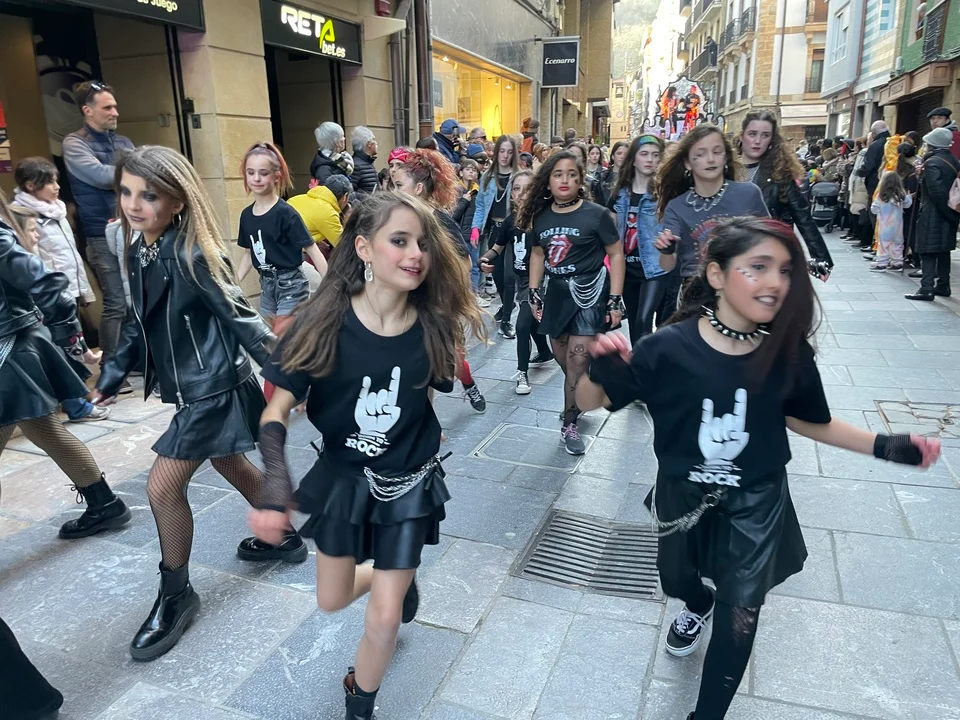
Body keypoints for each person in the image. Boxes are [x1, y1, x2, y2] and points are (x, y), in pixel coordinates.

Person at [576, 215, 942, 720]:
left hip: (757, 502)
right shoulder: (667, 346)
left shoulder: (787, 354)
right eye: (758, 267)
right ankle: (697, 604)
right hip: (682, 495)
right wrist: (601, 367)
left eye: (785, 270)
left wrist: (885, 446)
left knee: (742, 610)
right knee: (676, 579)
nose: (775, 282)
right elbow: (588, 402)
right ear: (717, 274)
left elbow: (807, 420)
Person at [248, 193, 485, 720]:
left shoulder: (434, 324)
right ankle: (393, 579)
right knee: (331, 599)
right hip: (343, 480)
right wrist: (275, 486)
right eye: (399, 240)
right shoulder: (322, 322)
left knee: (383, 620)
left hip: (408, 485)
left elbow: (426, 393)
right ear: (363, 248)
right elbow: (275, 409)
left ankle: (360, 701)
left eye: (422, 243)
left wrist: (420, 435)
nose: (416, 253)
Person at [93, 145, 306, 661]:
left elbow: (244, 321)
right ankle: (284, 536)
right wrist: (113, 372)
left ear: (178, 202)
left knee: (161, 488)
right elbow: (139, 321)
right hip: (194, 386)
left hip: (212, 388)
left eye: (149, 195)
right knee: (229, 462)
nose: (134, 204)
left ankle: (176, 595)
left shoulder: (191, 254)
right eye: (126, 192)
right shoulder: (139, 248)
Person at [1, 191, 130, 539]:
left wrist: (69, 339)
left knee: (44, 429)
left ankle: (105, 505)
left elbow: (47, 285)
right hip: (12, 350)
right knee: (44, 429)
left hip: (10, 352)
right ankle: (105, 504)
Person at [517, 150, 626, 456]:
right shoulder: (541, 216)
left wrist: (615, 299)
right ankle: (585, 390)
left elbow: (616, 254)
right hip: (556, 294)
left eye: (572, 174)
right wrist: (534, 292)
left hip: (590, 293)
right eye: (558, 174)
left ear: (580, 181)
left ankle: (569, 423)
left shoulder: (597, 214)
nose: (565, 180)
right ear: (547, 182)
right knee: (565, 359)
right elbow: (537, 254)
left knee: (577, 360)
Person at [11, 157, 108, 423]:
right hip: (47, 294)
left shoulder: (58, 211)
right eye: (49, 182)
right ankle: (75, 403)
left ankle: (76, 400)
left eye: (56, 180)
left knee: (68, 343)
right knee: (62, 347)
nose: (56, 187)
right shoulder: (21, 216)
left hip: (66, 288)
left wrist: (81, 289)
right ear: (31, 185)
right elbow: (32, 262)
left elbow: (70, 255)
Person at [393, 150, 488, 414]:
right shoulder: (395, 220)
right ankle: (424, 426)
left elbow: (464, 262)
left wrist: (443, 293)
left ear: (418, 188)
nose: (394, 191)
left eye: (399, 185)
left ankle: (468, 384)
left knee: (452, 362)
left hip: (437, 306)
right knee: (418, 372)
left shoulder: (440, 221)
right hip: (405, 306)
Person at [237, 142, 329, 403]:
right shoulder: (246, 216)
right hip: (267, 286)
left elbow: (311, 249)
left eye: (263, 172)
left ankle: (273, 403)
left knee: (277, 345)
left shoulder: (286, 213)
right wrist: (232, 283)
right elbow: (249, 254)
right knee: (278, 344)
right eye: (251, 172)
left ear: (276, 176)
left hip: (291, 284)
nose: (256, 178)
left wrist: (330, 283)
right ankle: (309, 378)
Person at [62, 80, 135, 385]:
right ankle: (111, 368)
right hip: (100, 234)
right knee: (116, 301)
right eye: (108, 107)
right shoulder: (74, 143)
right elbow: (102, 176)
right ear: (87, 110)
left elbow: (140, 174)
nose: (115, 112)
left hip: (130, 230)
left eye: (115, 106)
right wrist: (130, 171)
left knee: (137, 298)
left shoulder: (123, 141)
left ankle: (134, 360)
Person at [654, 123, 769, 310]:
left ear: (725, 157)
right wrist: (667, 250)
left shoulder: (749, 194)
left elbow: (771, 241)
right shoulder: (677, 207)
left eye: (717, 152)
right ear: (688, 163)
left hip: (746, 288)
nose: (710, 159)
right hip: (697, 295)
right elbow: (667, 266)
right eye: (700, 154)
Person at [479, 171, 554, 394]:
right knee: (531, 323)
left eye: (527, 189)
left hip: (540, 281)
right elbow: (497, 248)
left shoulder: (544, 218)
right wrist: (484, 260)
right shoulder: (511, 221)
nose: (521, 194)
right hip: (522, 281)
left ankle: (522, 373)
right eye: (517, 189)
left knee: (522, 326)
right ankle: (544, 352)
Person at [737, 110, 833, 278]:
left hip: (768, 253)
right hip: (732, 253)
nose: (757, 141)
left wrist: (821, 259)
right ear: (742, 135)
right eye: (752, 134)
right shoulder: (726, 170)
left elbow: (803, 216)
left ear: (772, 140)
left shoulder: (779, 174)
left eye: (765, 135)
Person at [607, 135, 672, 344]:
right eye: (644, 154)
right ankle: (640, 360)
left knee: (644, 320)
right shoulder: (620, 194)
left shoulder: (665, 193)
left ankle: (647, 360)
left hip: (654, 268)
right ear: (633, 159)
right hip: (627, 269)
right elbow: (610, 228)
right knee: (635, 323)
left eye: (655, 155)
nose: (650, 159)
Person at [905, 127, 960, 301]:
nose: (924, 147)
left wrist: (946, 212)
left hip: (934, 212)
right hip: (950, 210)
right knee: (944, 250)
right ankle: (943, 285)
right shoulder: (953, 160)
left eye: (926, 144)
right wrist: (952, 214)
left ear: (933, 145)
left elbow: (936, 191)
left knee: (927, 250)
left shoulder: (932, 163)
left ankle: (926, 288)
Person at [471, 135, 519, 319]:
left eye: (509, 152)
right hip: (494, 230)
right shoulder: (487, 177)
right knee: (497, 273)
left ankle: (506, 316)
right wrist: (476, 228)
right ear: (496, 152)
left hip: (513, 230)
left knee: (509, 276)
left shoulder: (519, 177)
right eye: (502, 151)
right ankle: (507, 304)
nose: (505, 156)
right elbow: (480, 205)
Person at [288, 174, 350, 260]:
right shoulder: (328, 213)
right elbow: (344, 246)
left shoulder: (295, 199)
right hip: (294, 255)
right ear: (345, 197)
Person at [452, 157, 484, 301]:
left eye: (474, 170)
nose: (471, 172)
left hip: (474, 234)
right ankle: (460, 296)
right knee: (461, 267)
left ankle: (474, 295)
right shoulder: (456, 190)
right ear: (461, 172)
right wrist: (464, 200)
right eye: (468, 169)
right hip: (459, 234)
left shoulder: (479, 190)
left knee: (475, 266)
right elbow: (453, 214)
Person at [869, 171, 913, 272]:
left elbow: (874, 209)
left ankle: (882, 263)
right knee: (897, 244)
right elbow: (907, 204)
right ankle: (897, 262)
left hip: (884, 226)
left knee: (883, 245)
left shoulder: (881, 196)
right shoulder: (901, 195)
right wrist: (909, 196)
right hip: (898, 226)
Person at [857, 121, 891, 204]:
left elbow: (869, 165)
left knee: (874, 207)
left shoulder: (876, 145)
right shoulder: (893, 142)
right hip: (891, 181)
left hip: (875, 182)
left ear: (874, 132)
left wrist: (859, 172)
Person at [592, 141, 628, 207]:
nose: (622, 156)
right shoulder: (602, 177)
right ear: (613, 156)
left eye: (626, 154)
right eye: (619, 153)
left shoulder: (632, 178)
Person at [350, 126, 380, 194]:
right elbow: (350, 193)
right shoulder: (356, 166)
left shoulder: (367, 162)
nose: (376, 143)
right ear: (369, 144)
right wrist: (368, 198)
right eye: (373, 139)